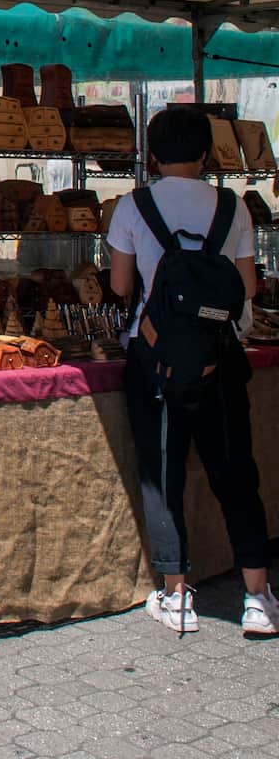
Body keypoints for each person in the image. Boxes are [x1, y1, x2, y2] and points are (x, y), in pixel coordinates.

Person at [107, 106, 279, 638]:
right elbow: (248, 289)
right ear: (206, 154)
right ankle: (258, 597)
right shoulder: (233, 207)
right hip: (220, 356)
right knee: (235, 475)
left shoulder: (131, 206)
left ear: (152, 155)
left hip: (154, 358)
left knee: (163, 474)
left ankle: (177, 596)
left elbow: (119, 287)